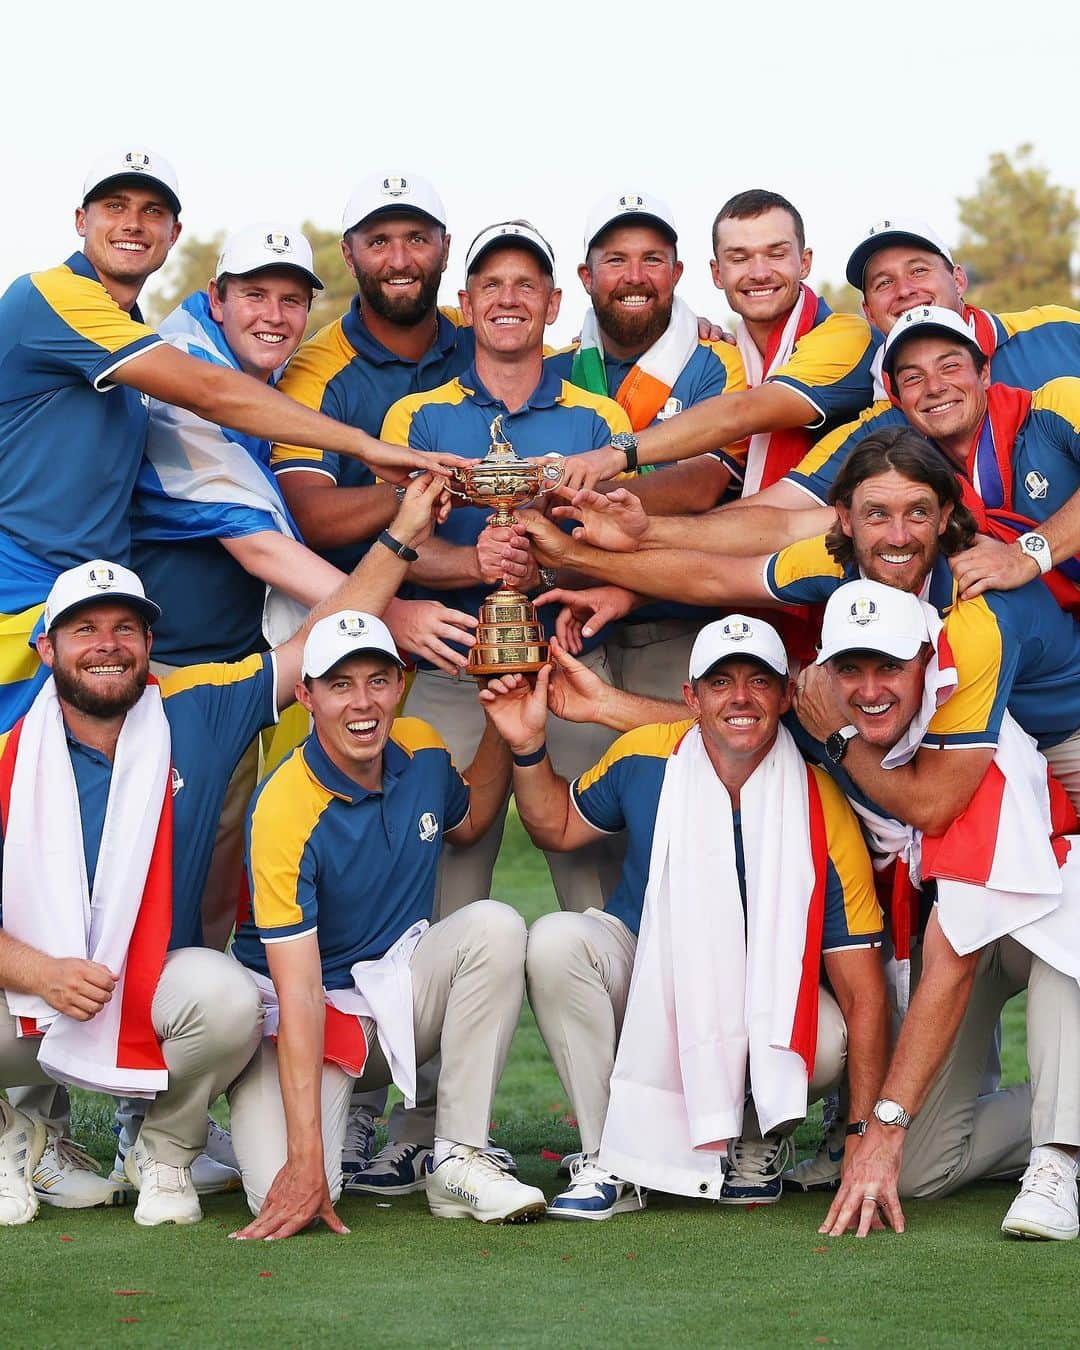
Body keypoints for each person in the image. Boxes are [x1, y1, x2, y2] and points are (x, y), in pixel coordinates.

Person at [0, 477, 447, 1224]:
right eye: (85, 630)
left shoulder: (196, 708)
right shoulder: (8, 762)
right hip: (32, 1000)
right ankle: (15, 1133)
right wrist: (41, 971)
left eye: (125, 629)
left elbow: (318, 642)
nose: (108, 646)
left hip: (153, 989)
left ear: (149, 643)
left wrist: (400, 537)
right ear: (47, 649)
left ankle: (164, 1148)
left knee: (232, 999)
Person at [0, 149, 455, 729]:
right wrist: (367, 450)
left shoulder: (136, 334)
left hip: (93, 609)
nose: (134, 224)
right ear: (80, 219)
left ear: (174, 232)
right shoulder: (53, 297)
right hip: (22, 596)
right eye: (115, 206)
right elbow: (212, 398)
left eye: (153, 211)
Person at [480, 615, 886, 1217]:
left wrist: (863, 1138)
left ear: (785, 693)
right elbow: (557, 826)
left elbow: (864, 991)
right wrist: (527, 745)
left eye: (758, 681)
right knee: (556, 941)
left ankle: (757, 1132)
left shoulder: (820, 801)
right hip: (651, 967)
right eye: (721, 683)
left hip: (765, 993)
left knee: (828, 1043)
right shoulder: (645, 752)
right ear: (691, 697)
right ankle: (609, 1156)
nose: (741, 699)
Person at [227, 611, 548, 1237]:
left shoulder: (421, 745)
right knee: (278, 1187)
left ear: (400, 685)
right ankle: (323, 1130)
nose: (363, 702)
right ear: (307, 696)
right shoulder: (284, 809)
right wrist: (305, 1161)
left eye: (378, 680)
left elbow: (472, 819)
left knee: (495, 927)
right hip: (302, 1021)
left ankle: (460, 1155)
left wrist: (502, 728)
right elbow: (298, 997)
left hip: (392, 1000)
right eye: (340, 685)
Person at [798, 578, 1080, 1241]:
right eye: (851, 668)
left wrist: (885, 1127)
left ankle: (1058, 1159)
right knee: (924, 1171)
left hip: (1051, 907)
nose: (870, 688)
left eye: (890, 666)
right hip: (973, 924)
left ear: (928, 662)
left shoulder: (965, 738)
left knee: (1064, 957)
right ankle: (1060, 1113)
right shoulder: (835, 723)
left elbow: (949, 969)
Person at [543, 190, 747, 698]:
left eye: (652, 259)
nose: (635, 276)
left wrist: (580, 500)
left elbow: (704, 483)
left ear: (676, 274)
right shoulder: (551, 371)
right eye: (615, 260)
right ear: (586, 277)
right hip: (564, 632)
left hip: (674, 625)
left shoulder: (717, 361)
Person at [552, 190, 879, 493]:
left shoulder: (845, 335)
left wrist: (615, 456)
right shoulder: (733, 351)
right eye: (740, 258)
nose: (760, 272)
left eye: (776, 253)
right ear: (717, 273)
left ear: (804, 262)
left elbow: (741, 413)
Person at [762, 215, 1080, 514]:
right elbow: (779, 514)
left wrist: (1035, 551)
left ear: (958, 279)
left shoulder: (1058, 331)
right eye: (883, 283)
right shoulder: (884, 422)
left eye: (918, 271)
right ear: (868, 312)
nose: (904, 291)